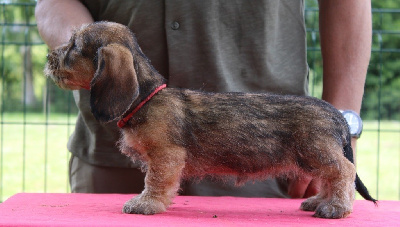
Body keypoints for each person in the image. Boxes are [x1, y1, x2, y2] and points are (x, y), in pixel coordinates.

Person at [35, 0, 372, 198]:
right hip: (109, 156)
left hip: (270, 145)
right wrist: (89, 52)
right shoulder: (107, 64)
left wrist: (345, 122)